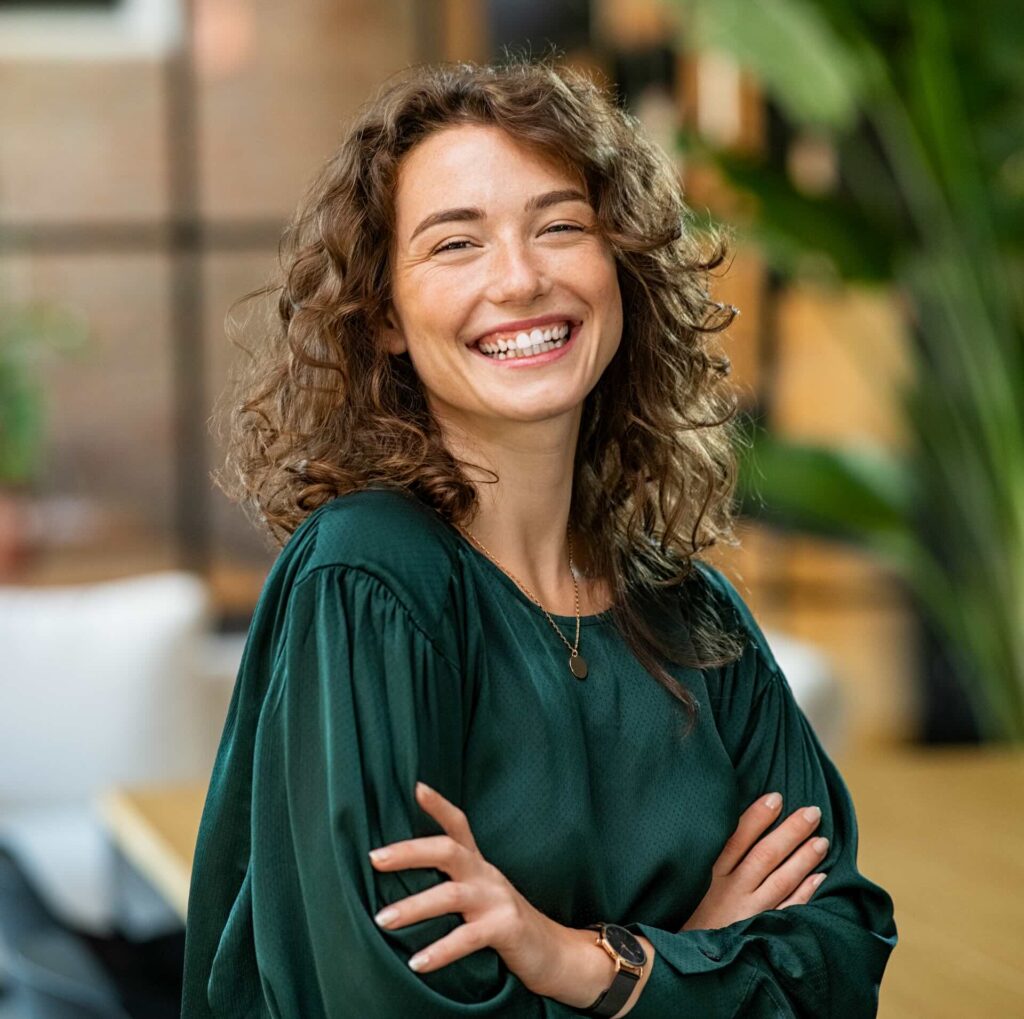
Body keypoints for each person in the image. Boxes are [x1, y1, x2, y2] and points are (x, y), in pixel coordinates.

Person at [180, 55, 897, 1018]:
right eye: (454, 244)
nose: (520, 279)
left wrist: (583, 961)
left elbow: (840, 959)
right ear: (384, 314)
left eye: (560, 226)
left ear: (620, 269)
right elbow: (384, 1003)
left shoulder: (691, 613)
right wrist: (693, 957)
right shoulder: (369, 578)